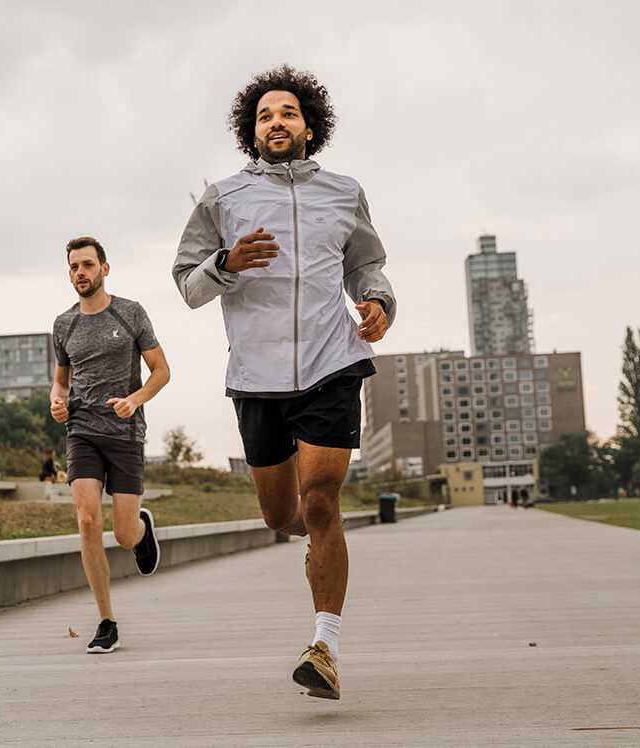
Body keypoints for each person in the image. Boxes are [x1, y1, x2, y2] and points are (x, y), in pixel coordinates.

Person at [172, 65, 395, 699]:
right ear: (252, 132)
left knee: (320, 501)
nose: (277, 122)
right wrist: (226, 263)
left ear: (309, 126)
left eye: (288, 113)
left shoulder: (344, 192)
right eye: (265, 115)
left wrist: (378, 301)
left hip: (332, 362)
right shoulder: (223, 199)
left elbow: (366, 265)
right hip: (257, 373)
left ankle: (325, 647)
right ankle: (315, 545)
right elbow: (187, 284)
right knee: (282, 515)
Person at [50, 236, 171, 653]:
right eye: (74, 267)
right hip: (82, 430)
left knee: (122, 535)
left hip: (125, 433)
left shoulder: (130, 312)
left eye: (87, 265)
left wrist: (135, 400)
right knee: (87, 521)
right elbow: (61, 381)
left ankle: (141, 528)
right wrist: (57, 402)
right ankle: (106, 622)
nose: (80, 272)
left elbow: (161, 370)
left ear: (104, 268)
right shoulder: (64, 324)